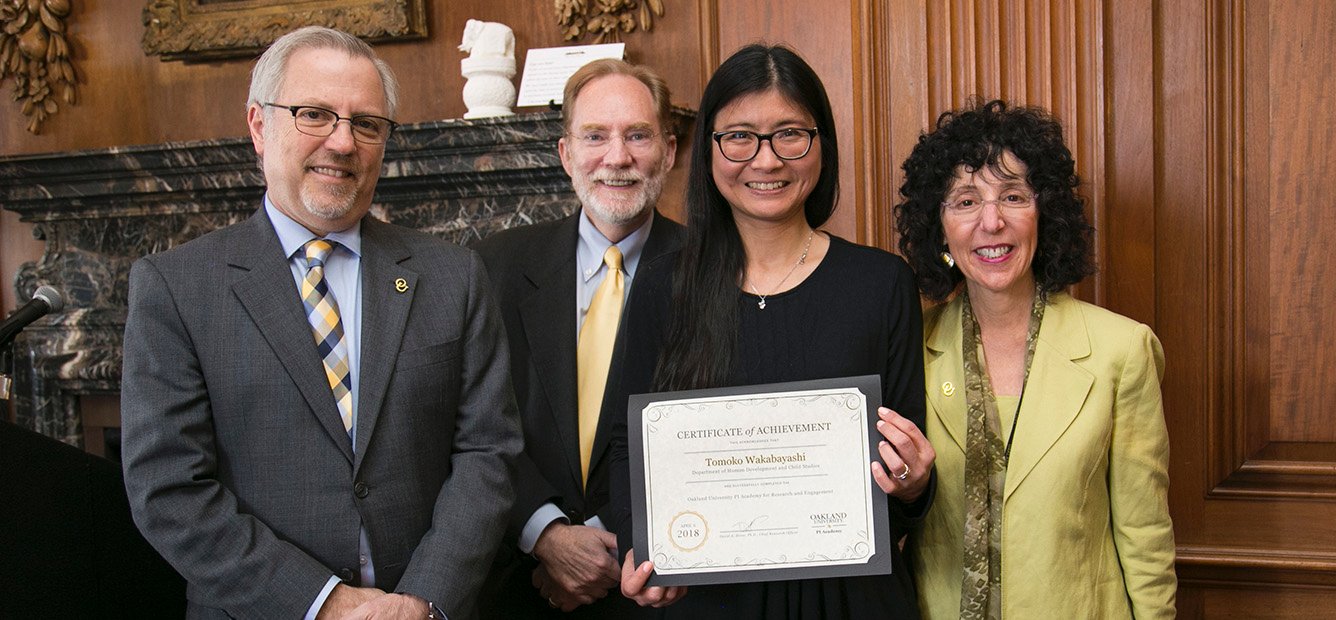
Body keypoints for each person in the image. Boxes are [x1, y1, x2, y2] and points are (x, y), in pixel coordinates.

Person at [121, 26, 522, 619]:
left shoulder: (453, 276)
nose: (342, 142)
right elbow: (169, 489)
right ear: (259, 126)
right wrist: (323, 604)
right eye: (314, 115)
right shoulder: (176, 288)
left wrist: (420, 601)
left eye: (367, 124)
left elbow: (488, 452)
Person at [606, 44, 937, 618]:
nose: (766, 160)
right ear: (708, 150)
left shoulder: (882, 284)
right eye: (739, 136)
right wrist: (643, 546)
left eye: (790, 134)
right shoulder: (664, 287)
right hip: (708, 602)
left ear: (822, 143)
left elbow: (907, 484)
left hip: (851, 602)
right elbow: (623, 446)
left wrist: (912, 483)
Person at [893, 99, 1177, 619]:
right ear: (939, 228)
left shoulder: (1121, 350)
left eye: (1013, 196)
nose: (992, 221)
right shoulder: (908, 349)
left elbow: (1145, 535)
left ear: (1044, 214)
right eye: (965, 201)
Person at [476, 58, 682, 618]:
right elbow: (470, 420)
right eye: (595, 136)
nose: (616, 157)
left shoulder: (713, 273)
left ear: (668, 151)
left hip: (656, 586)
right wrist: (545, 534)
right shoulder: (492, 267)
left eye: (637, 135)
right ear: (566, 154)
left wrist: (605, 541)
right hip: (517, 587)